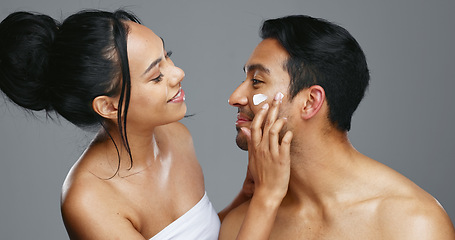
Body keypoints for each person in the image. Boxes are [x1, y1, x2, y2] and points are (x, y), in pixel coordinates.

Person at [0, 9, 292, 239]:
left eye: (167, 56)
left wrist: (247, 194)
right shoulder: (89, 201)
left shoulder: (176, 137)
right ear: (109, 106)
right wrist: (267, 198)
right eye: (156, 76)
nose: (178, 73)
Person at [220, 15, 455, 239]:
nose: (235, 97)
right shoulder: (242, 223)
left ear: (311, 102)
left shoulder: (411, 222)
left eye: (257, 82)